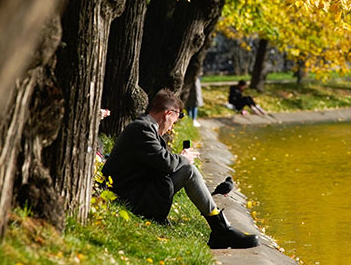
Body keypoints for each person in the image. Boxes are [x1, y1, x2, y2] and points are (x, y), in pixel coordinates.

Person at [102, 89, 258, 249]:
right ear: (168, 114)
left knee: (186, 167)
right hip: (127, 197)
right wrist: (183, 159)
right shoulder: (142, 129)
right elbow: (167, 164)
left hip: (133, 191)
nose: (170, 128)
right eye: (173, 122)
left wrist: (180, 159)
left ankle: (221, 228)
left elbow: (159, 162)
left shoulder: (144, 126)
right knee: (188, 170)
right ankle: (221, 230)